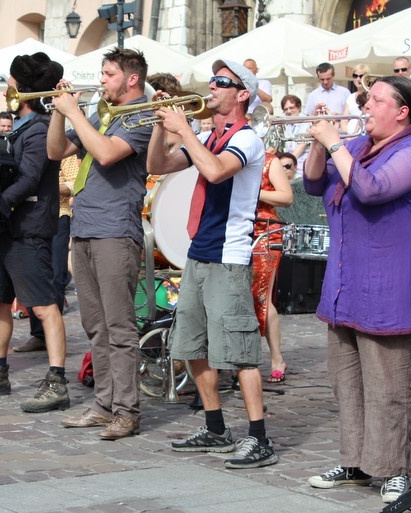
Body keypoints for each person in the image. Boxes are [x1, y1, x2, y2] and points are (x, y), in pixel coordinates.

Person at [303, 75, 411, 503]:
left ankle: (392, 469)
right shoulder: (359, 146)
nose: (365, 106)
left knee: (388, 386)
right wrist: (316, 140)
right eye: (367, 99)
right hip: (348, 282)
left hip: (392, 286)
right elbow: (312, 184)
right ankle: (355, 462)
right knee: (346, 381)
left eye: (376, 100)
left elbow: (372, 188)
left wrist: (335, 144)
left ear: (402, 112)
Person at [146, 58, 278, 468]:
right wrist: (158, 125)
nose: (212, 87)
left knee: (238, 351)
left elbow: (218, 172)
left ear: (242, 95)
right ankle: (215, 427)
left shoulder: (247, 139)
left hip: (230, 256)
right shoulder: (208, 135)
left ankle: (260, 437)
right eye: (213, 80)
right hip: (199, 253)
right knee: (192, 347)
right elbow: (157, 166)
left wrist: (183, 127)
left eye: (222, 82)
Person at [47, 47, 153, 440]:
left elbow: (107, 154)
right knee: (95, 326)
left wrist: (74, 111)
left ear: (131, 79)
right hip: (84, 226)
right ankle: (104, 405)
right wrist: (60, 113)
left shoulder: (141, 113)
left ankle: (128, 410)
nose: (102, 79)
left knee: (120, 327)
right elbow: (56, 152)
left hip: (115, 230)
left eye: (108, 74)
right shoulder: (102, 113)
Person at [0, 52, 70, 413]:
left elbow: (29, 179)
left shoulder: (38, 128)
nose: (6, 87)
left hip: (28, 229)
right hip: (6, 228)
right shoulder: (22, 127)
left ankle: (57, 381)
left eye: (10, 83)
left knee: (43, 306)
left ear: (22, 89)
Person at [13, 154, 78, 353]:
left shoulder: (65, 150)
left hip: (58, 215)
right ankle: (39, 335)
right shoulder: (29, 148)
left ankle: (53, 335)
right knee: (33, 274)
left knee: (56, 275)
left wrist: (45, 187)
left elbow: (73, 184)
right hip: (31, 217)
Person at [252, 153, 293, 383]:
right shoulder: (227, 155)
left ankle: (277, 358)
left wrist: (253, 193)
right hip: (234, 229)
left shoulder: (270, 161)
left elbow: (287, 196)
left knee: (262, 297)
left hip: (264, 233)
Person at [280, 95, 309, 177]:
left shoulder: (305, 121)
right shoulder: (289, 124)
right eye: (286, 109)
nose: (288, 111)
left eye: (291, 108)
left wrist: (288, 162)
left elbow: (301, 145)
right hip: (291, 165)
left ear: (299, 108)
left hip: (303, 166)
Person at [341, 64, 371, 136]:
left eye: (361, 76)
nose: (358, 79)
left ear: (367, 78)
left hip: (365, 134)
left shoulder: (372, 94)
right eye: (355, 76)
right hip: (349, 135)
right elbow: (344, 120)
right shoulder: (351, 97)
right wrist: (347, 136)